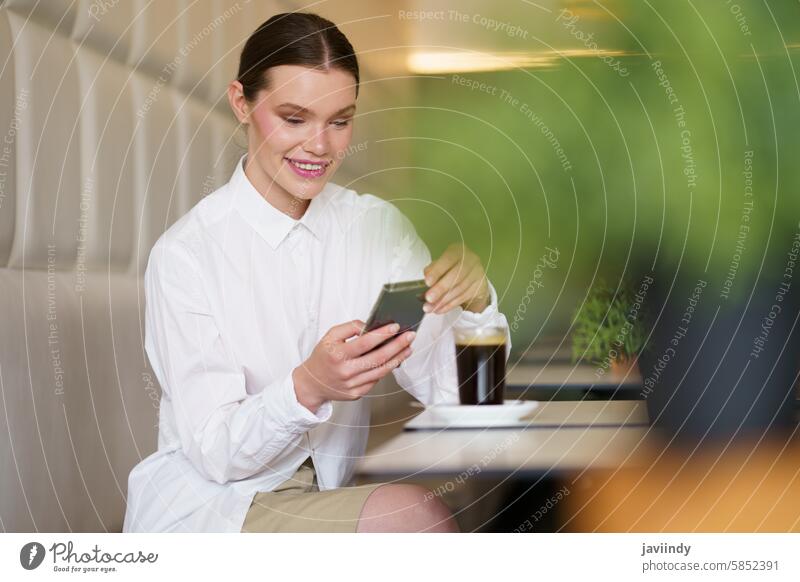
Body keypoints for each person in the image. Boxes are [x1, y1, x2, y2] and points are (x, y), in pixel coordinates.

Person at [123, 12, 510, 533]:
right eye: (294, 117)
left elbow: (464, 401)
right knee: (415, 520)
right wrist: (309, 385)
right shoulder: (186, 257)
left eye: (340, 120)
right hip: (216, 508)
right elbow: (217, 454)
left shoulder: (377, 229)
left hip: (326, 495)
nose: (320, 147)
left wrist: (477, 303)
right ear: (242, 103)